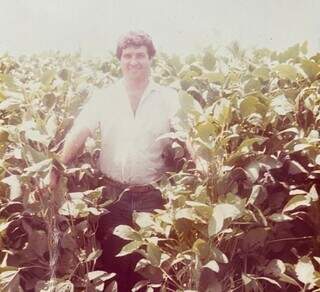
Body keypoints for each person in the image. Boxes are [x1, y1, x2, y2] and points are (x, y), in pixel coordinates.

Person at [50, 31, 183, 291]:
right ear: (119, 60)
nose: (134, 61)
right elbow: (80, 131)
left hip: (153, 196)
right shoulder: (105, 97)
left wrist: (203, 164)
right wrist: (57, 168)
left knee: (150, 267)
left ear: (151, 58)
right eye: (128, 56)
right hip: (114, 196)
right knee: (112, 267)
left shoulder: (168, 97)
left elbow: (189, 133)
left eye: (140, 55)